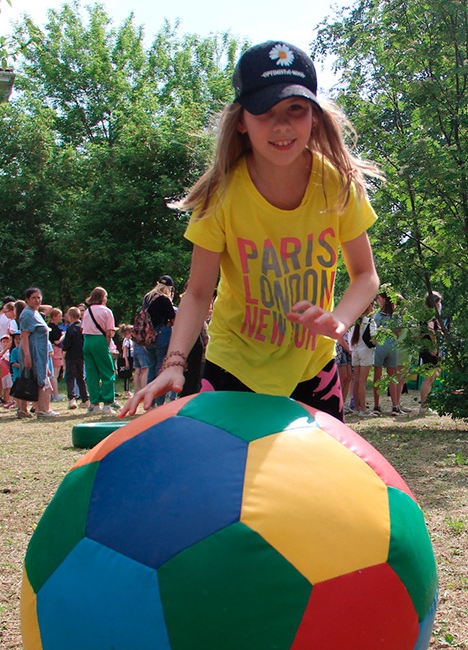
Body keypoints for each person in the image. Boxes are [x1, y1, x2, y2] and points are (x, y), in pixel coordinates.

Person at [120, 40, 380, 421]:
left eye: (296, 109)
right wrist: (173, 363)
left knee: (313, 482)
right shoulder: (220, 194)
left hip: (313, 369)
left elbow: (365, 275)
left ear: (314, 117)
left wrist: (337, 320)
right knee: (228, 481)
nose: (282, 125)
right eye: (264, 111)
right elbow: (196, 293)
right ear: (241, 120)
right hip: (234, 367)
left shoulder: (337, 184)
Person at [18, 287, 58, 417]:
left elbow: (48, 308)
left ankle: (24, 410)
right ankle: (41, 410)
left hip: (39, 351)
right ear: (27, 299)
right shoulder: (27, 314)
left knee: (33, 378)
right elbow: (24, 336)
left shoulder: (35, 313)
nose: (37, 300)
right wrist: (27, 356)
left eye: (39, 297)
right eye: (33, 298)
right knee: (37, 378)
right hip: (32, 351)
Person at [141, 275, 177, 405]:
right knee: (160, 369)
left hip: (148, 337)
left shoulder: (147, 298)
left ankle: (149, 401)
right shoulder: (164, 300)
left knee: (151, 368)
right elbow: (173, 319)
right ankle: (159, 401)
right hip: (162, 334)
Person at [81, 286, 117, 413]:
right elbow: (109, 332)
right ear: (103, 298)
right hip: (99, 340)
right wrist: (107, 346)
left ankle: (94, 404)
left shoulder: (87, 311)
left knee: (91, 374)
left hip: (87, 341)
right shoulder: (106, 311)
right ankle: (107, 404)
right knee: (107, 371)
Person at [372, 290, 405, 415]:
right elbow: (398, 333)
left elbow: (374, 334)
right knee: (393, 377)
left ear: (384, 299)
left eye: (378, 298)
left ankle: (376, 405)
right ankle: (395, 406)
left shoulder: (377, 316)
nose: (377, 301)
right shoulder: (396, 316)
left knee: (377, 376)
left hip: (380, 347)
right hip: (392, 346)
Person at [418, 290, 444, 413]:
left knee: (431, 377)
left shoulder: (426, 314)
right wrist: (433, 346)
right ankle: (423, 406)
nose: (440, 305)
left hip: (426, 347)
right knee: (428, 378)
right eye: (439, 302)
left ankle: (426, 404)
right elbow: (430, 329)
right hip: (428, 348)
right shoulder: (430, 315)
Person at [350, 302, 377, 416]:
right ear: (369, 307)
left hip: (355, 352)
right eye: (373, 306)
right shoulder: (371, 322)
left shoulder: (354, 321)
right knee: (362, 382)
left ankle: (356, 407)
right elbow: (374, 341)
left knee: (356, 381)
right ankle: (363, 409)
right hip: (365, 352)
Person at [61, 306, 87, 409]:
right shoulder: (82, 328)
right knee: (81, 377)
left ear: (70, 317)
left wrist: (63, 352)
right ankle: (85, 399)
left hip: (71, 356)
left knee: (70, 377)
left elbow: (66, 344)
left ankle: (72, 399)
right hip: (81, 355)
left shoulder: (70, 329)